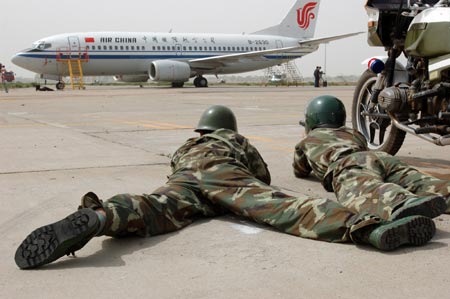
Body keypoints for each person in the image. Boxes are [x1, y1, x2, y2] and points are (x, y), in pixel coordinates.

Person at [15, 105, 437, 270]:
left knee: (155, 207)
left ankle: (103, 215)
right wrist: (240, 188)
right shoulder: (233, 141)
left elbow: (186, 172)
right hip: (224, 177)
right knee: (287, 209)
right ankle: (368, 228)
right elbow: (264, 180)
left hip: (187, 181)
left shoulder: (189, 143)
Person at [293, 95, 449, 222]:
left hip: (347, 163)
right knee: (419, 181)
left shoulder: (307, 140)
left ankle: (401, 202)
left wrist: (305, 140)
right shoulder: (354, 133)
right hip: (379, 158)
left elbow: (299, 170)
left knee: (365, 191)